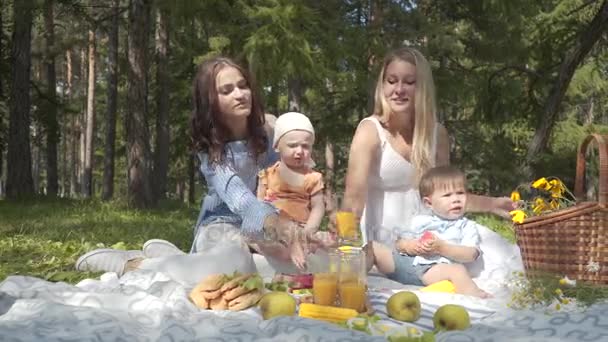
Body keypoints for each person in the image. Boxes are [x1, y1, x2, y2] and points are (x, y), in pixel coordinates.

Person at [75, 57, 320, 283]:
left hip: (267, 228)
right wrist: (279, 226)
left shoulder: (270, 130)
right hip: (223, 224)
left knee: (304, 264)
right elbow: (241, 200)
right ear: (211, 101)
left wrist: (301, 225)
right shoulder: (210, 149)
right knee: (236, 264)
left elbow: (293, 182)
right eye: (227, 90)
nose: (240, 94)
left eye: (243, 85)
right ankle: (135, 265)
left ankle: (181, 259)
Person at [341, 46, 520, 284]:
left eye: (409, 82)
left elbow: (447, 196)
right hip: (386, 244)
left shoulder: (437, 134)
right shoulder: (370, 131)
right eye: (391, 81)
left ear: (422, 87)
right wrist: (345, 253)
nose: (398, 90)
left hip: (433, 239)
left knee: (506, 259)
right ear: (382, 86)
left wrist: (492, 204)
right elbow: (352, 202)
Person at [252, 111, 334, 272]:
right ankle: (287, 252)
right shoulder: (267, 174)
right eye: (292, 145)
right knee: (261, 241)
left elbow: (318, 207)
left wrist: (310, 230)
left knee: (329, 242)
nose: (299, 151)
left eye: (305, 146)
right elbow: (259, 205)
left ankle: (308, 253)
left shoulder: (313, 177)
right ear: (276, 146)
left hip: (302, 227)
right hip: (274, 229)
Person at [392, 165, 491, 298]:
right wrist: (409, 246)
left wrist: (442, 248)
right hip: (405, 264)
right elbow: (399, 242)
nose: (456, 199)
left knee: (457, 270)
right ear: (428, 203)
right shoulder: (420, 221)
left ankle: (473, 296)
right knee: (373, 249)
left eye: (460, 193)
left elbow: (471, 254)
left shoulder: (466, 226)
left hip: (433, 271)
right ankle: (356, 282)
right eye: (447, 195)